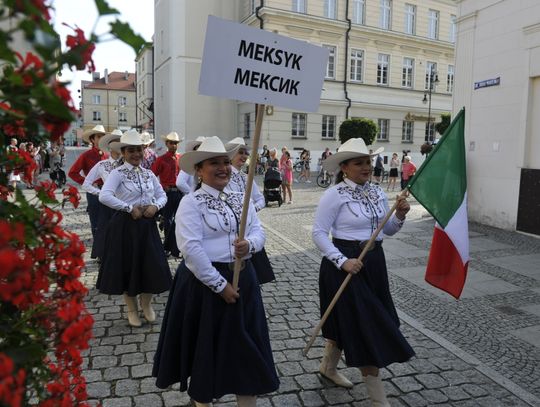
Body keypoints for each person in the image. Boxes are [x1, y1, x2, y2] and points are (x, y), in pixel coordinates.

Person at [153, 136, 279, 406]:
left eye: (225, 162)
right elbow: (191, 250)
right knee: (207, 350)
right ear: (199, 170)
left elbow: (258, 232)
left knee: (248, 351)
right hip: (205, 286)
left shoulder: (239, 198)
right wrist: (220, 286)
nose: (223, 168)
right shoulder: (191, 202)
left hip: (244, 278)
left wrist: (250, 246)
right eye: (214, 163)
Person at [312, 138, 414, 406]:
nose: (366, 167)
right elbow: (319, 233)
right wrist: (341, 260)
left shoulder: (377, 192)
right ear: (344, 167)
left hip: (374, 265)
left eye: (368, 161)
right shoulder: (334, 195)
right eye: (359, 163)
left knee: (346, 321)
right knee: (366, 327)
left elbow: (386, 230)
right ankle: (380, 401)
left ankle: (327, 368)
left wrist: (400, 215)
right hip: (344, 266)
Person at [97, 129, 172, 327]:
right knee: (127, 267)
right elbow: (104, 195)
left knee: (150, 265)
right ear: (123, 152)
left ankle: (146, 304)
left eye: (139, 150)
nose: (136, 154)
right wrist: (129, 208)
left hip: (147, 227)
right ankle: (132, 309)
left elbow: (162, 194)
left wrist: (156, 206)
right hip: (124, 227)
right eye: (131, 150)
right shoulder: (117, 173)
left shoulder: (148, 174)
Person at [225, 137, 275, 285]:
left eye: (246, 153)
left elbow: (261, 199)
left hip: (249, 232)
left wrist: (251, 209)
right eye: (240, 152)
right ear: (231, 155)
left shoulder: (247, 178)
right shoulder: (224, 177)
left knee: (253, 276)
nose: (245, 156)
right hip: (232, 232)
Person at [82, 129, 123, 260]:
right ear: (110, 147)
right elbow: (86, 184)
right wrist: (101, 193)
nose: (119, 146)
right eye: (116, 143)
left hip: (126, 204)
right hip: (109, 205)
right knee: (107, 232)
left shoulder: (129, 165)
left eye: (121, 143)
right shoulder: (102, 165)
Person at [68, 124, 108, 241]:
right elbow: (73, 172)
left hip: (107, 191)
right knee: (96, 222)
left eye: (103, 136)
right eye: (99, 136)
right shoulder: (86, 155)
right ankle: (99, 252)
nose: (101, 139)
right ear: (92, 139)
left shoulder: (107, 155)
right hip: (93, 193)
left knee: (108, 220)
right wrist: (88, 183)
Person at [152, 131, 184, 257]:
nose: (173, 145)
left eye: (175, 143)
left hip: (180, 192)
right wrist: (159, 189)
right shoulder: (161, 159)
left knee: (180, 220)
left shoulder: (181, 158)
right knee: (168, 220)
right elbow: (152, 176)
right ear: (166, 143)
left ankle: (178, 245)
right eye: (171, 143)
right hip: (168, 192)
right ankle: (167, 246)